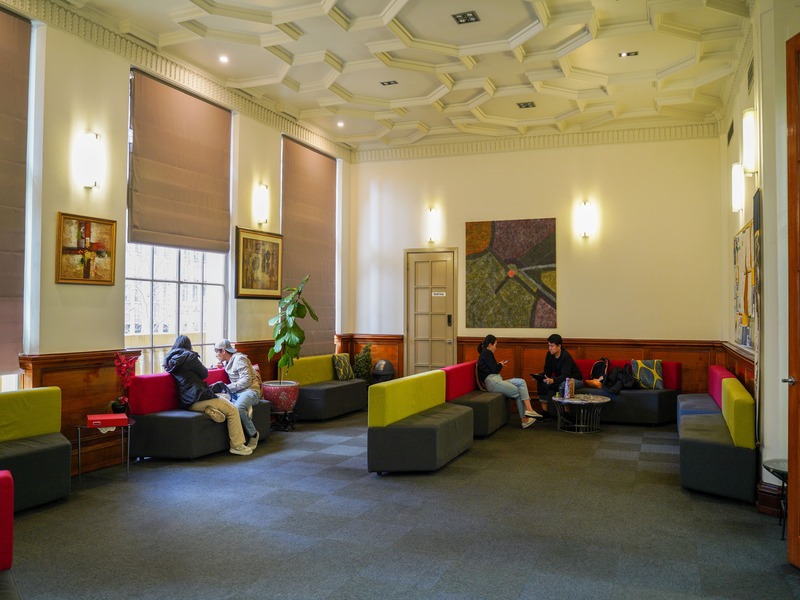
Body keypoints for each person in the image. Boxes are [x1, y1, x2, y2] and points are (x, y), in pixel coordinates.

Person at [163, 335, 252, 456]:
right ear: (188, 346)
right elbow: (204, 373)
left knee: (223, 398)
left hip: (187, 403)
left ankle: (209, 409)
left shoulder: (169, 361)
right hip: (200, 397)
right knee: (232, 410)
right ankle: (237, 446)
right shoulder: (190, 357)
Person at [477, 334, 542, 429]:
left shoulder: (485, 353)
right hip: (493, 382)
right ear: (490, 345)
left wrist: (499, 364)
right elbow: (495, 369)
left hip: (496, 380)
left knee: (521, 382)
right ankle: (524, 420)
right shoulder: (487, 352)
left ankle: (529, 409)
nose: (496, 348)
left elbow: (492, 368)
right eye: (495, 345)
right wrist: (500, 365)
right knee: (518, 392)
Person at [214, 339, 262, 450]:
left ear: (223, 351)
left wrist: (227, 387)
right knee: (218, 401)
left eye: (217, 351)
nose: (216, 355)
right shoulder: (227, 361)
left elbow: (247, 381)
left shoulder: (240, 359)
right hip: (237, 393)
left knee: (238, 408)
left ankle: (254, 434)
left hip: (250, 391)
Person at [537, 333, 584, 416]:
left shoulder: (566, 356)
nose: (550, 348)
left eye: (552, 346)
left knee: (565, 384)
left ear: (559, 346)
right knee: (542, 382)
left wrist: (553, 380)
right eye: (549, 346)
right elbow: (547, 372)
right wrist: (539, 376)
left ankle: (566, 414)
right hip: (561, 378)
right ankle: (545, 413)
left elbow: (565, 375)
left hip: (575, 380)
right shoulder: (549, 355)